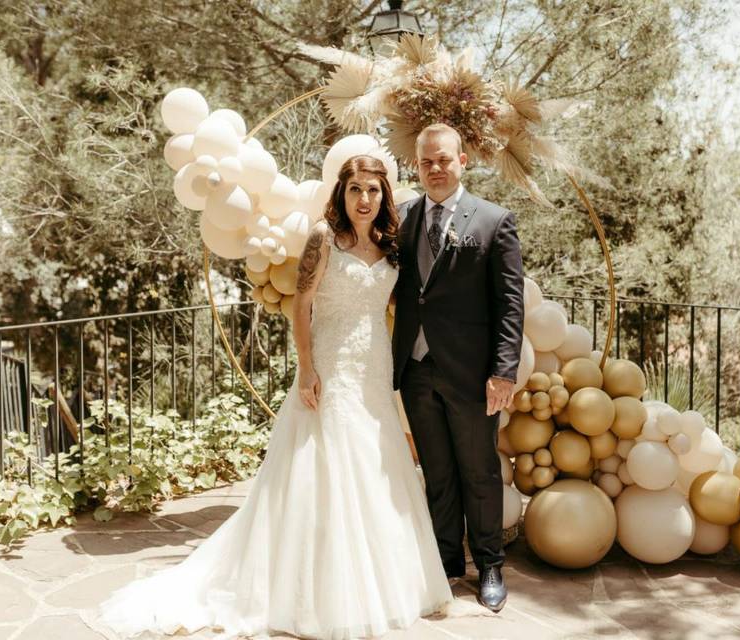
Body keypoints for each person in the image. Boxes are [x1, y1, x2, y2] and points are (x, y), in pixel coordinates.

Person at [96, 155, 452, 639]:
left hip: (374, 368)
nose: (364, 199)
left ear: (383, 195)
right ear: (341, 194)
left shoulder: (391, 245)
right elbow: (301, 306)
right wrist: (307, 368)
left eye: (372, 190)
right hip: (329, 366)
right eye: (355, 190)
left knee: (374, 465)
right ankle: (314, 590)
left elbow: (397, 302)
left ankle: (382, 581)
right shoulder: (324, 238)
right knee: (324, 468)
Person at [392, 123, 525, 613]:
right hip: (416, 368)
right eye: (426, 162)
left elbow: (510, 304)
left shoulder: (494, 221)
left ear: (462, 160)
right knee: (439, 472)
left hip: (472, 373)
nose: (434, 169)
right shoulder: (402, 217)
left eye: (443, 160)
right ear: (418, 165)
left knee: (480, 472)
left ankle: (490, 564)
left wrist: (504, 371)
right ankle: (448, 562)